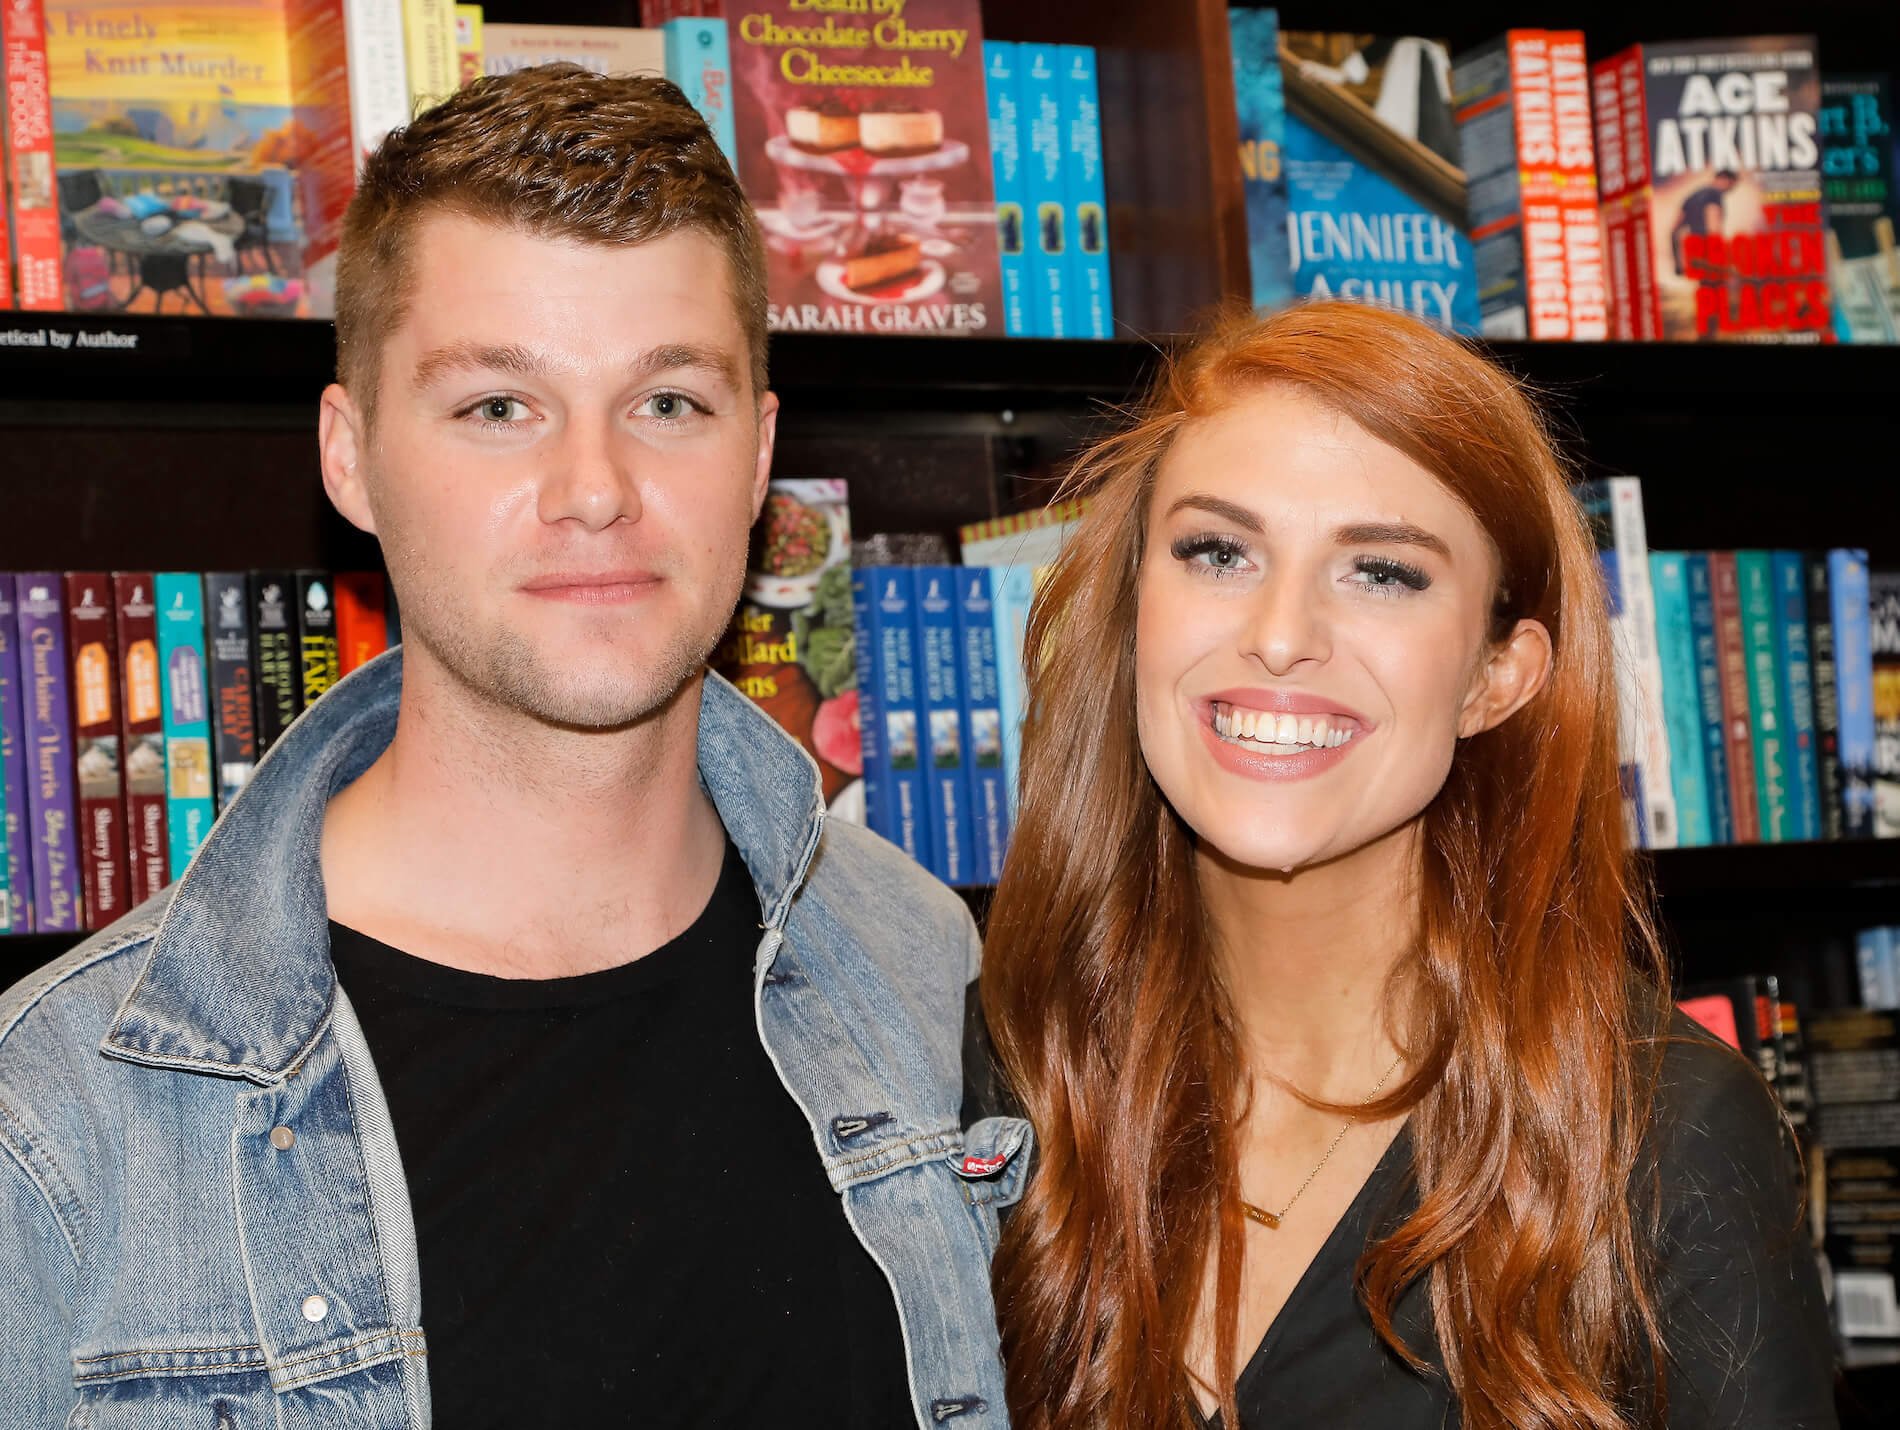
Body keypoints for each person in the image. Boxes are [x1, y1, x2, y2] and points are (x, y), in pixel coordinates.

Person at [0, 66, 1026, 1429]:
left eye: (669, 402)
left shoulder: (911, 959)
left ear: (760, 451)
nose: (594, 490)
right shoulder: (57, 1124)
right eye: (499, 407)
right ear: (351, 454)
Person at [978, 301, 1837, 1429]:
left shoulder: (1664, 1134)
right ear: (1134, 611)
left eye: (1381, 571)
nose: (1280, 635)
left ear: (1499, 675)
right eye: (1217, 551)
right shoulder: (994, 1081)